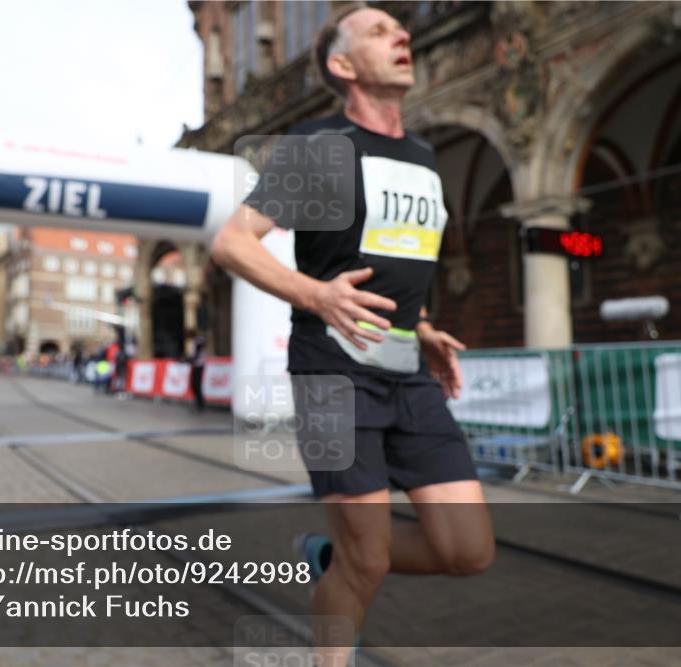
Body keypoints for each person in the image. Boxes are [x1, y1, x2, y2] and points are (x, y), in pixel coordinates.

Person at [211, 4, 494, 664]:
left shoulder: (423, 155)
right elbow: (232, 244)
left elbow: (394, 261)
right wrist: (317, 293)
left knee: (468, 549)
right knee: (367, 564)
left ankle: (328, 556)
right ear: (343, 66)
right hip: (332, 374)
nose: (402, 34)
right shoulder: (320, 148)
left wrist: (419, 326)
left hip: (407, 373)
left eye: (401, 28)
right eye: (377, 31)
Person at [185, 328, 207, 412]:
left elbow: (196, 353)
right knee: (195, 385)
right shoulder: (194, 342)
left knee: (196, 384)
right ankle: (199, 402)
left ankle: (200, 403)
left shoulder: (197, 341)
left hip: (198, 365)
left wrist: (189, 359)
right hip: (196, 364)